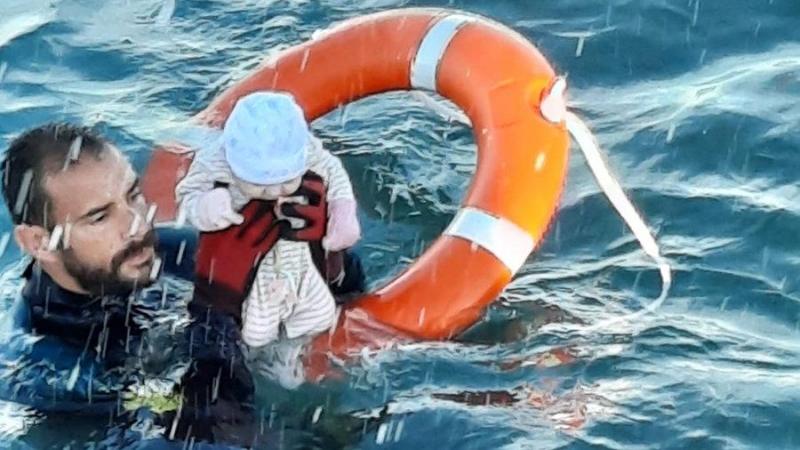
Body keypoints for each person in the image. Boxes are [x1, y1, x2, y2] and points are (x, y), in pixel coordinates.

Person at [0, 123, 368, 448]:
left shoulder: (169, 253)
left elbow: (337, 303)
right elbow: (210, 430)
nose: (138, 226)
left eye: (133, 196)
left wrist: (323, 258)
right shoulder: (46, 369)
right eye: (99, 217)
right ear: (37, 242)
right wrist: (217, 304)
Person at [175, 91, 362, 388]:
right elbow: (189, 192)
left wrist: (342, 216)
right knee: (218, 343)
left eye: (287, 182)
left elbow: (336, 177)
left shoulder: (310, 153)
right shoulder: (216, 160)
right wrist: (206, 205)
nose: (276, 192)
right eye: (261, 185)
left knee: (318, 303)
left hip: (299, 258)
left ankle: (298, 350)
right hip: (234, 275)